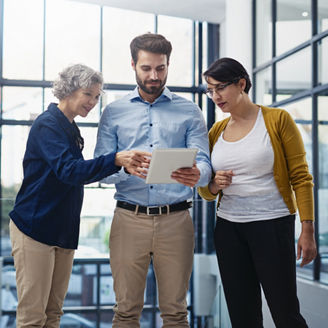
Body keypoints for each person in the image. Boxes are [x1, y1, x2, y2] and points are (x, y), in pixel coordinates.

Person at [9, 64, 150, 328]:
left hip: (62, 229)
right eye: (88, 94)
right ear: (70, 90)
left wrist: (116, 163)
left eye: (97, 97)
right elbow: (69, 171)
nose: (93, 102)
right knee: (32, 317)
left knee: (53, 313)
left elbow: (78, 173)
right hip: (34, 227)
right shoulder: (47, 125)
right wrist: (115, 159)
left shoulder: (70, 129)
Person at [94, 33, 212, 327]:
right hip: (128, 218)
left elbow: (205, 162)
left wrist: (199, 175)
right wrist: (124, 167)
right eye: (146, 68)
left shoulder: (189, 110)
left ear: (168, 64)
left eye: (160, 68)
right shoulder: (114, 112)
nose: (154, 76)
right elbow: (101, 171)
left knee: (175, 312)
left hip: (176, 220)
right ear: (133, 64)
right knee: (125, 311)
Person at [198, 57, 317, 328]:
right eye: (210, 90)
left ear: (241, 84)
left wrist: (307, 229)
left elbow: (301, 177)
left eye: (220, 88)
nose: (215, 96)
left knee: (285, 313)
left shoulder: (277, 120)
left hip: (272, 226)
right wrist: (215, 184)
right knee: (242, 316)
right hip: (229, 229)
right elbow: (206, 190)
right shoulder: (217, 131)